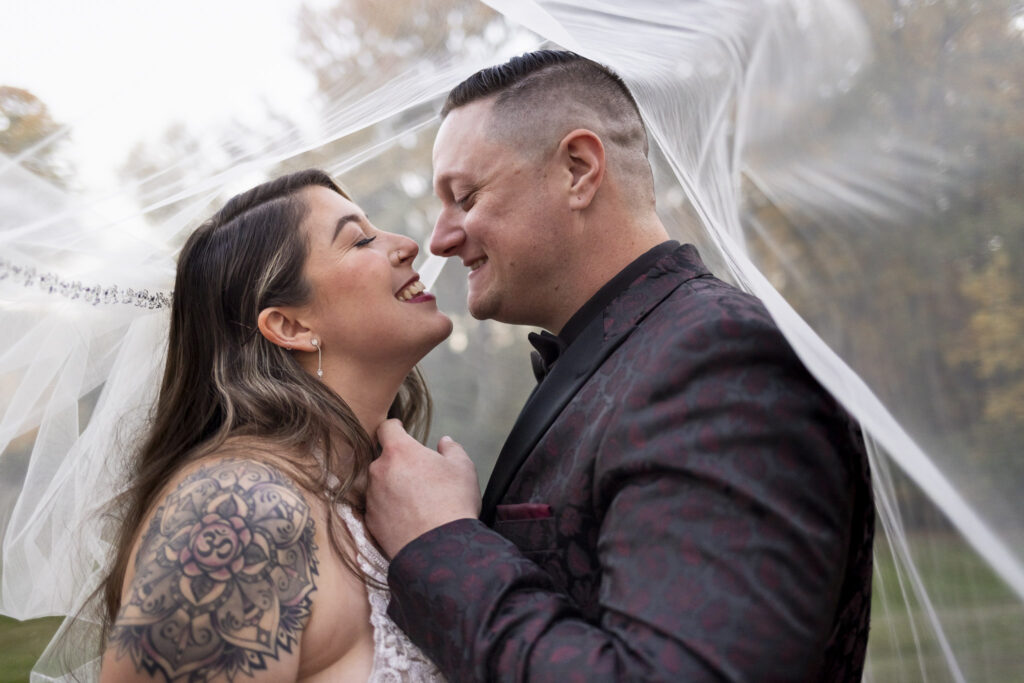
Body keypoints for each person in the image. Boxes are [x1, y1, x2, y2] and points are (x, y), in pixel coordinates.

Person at [365, 50, 875, 681]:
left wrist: (440, 545)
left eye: (465, 196)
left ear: (579, 169)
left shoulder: (719, 360)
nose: (439, 238)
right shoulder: (635, 350)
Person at [96, 170, 452, 682]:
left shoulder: (386, 496)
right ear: (292, 326)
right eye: (361, 239)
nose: (408, 246)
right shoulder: (235, 511)